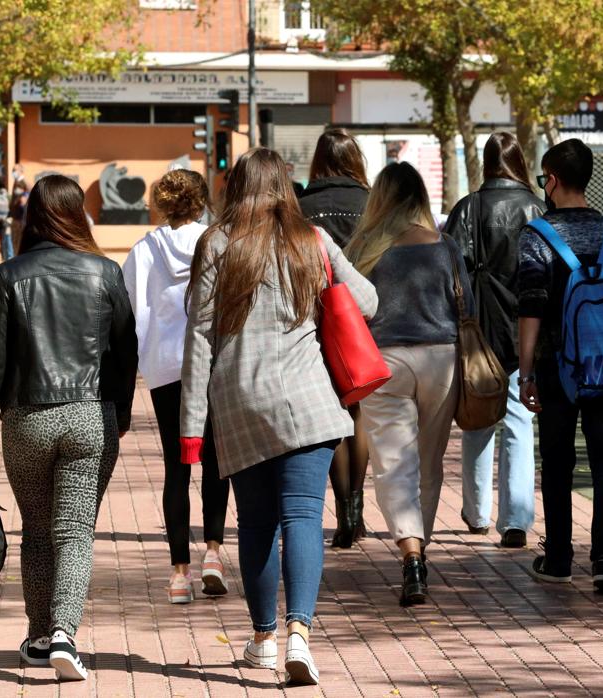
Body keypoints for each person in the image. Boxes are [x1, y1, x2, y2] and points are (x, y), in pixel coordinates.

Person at [180, 148, 377, 685]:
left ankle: (264, 637)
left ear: (235, 188)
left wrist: (190, 427)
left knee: (258, 523)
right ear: (286, 187)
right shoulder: (312, 240)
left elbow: (197, 339)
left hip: (239, 404)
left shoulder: (217, 242)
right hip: (309, 402)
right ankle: (299, 633)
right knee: (304, 518)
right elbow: (370, 300)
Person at [0, 175, 137, 682]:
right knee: (74, 531)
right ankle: (64, 631)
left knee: (37, 532)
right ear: (77, 213)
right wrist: (120, 412)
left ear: (31, 214)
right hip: (89, 416)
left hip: (26, 419)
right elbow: (127, 350)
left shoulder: (8, 275)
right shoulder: (105, 271)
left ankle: (40, 638)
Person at [516, 138, 603, 595]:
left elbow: (530, 309)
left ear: (551, 180)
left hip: (557, 367)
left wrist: (527, 370)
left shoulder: (537, 237)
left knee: (557, 462)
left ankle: (557, 558)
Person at [346, 162, 475, 607]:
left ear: (379, 198)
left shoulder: (363, 248)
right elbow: (468, 305)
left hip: (383, 361)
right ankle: (422, 546)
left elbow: (347, 307)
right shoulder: (446, 246)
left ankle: (410, 552)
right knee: (429, 460)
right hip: (441, 357)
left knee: (392, 461)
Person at [122, 169, 231, 604]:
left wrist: (139, 364)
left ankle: (178, 574)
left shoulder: (144, 250)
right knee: (216, 461)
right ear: (201, 201)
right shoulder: (218, 243)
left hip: (166, 369)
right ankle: (215, 553)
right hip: (213, 365)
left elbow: (134, 311)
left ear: (160, 204)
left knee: (176, 467)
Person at [443, 132, 545, 549]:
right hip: (525, 326)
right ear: (519, 162)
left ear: (485, 164)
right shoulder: (537, 208)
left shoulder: (467, 208)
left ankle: (476, 511)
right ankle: (517, 517)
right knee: (521, 422)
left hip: (479, 332)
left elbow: (451, 270)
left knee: (478, 417)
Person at [298, 128, 372, 548]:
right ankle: (356, 511)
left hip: (316, 320)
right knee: (358, 411)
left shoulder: (302, 205)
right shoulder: (371, 203)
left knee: (333, 415)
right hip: (363, 318)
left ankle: (343, 509)